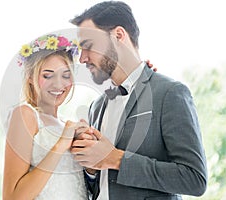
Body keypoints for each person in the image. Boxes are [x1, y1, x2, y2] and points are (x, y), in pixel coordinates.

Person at [69, 1, 208, 200]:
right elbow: (102, 187)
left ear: (118, 35)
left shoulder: (170, 93)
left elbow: (195, 179)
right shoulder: (96, 107)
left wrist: (116, 159)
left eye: (88, 46)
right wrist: (91, 169)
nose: (82, 58)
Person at [2, 34, 89, 200]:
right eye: (48, 75)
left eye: (65, 75)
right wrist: (61, 144)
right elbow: (12, 197)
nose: (58, 84)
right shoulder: (25, 114)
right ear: (29, 76)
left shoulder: (67, 124)